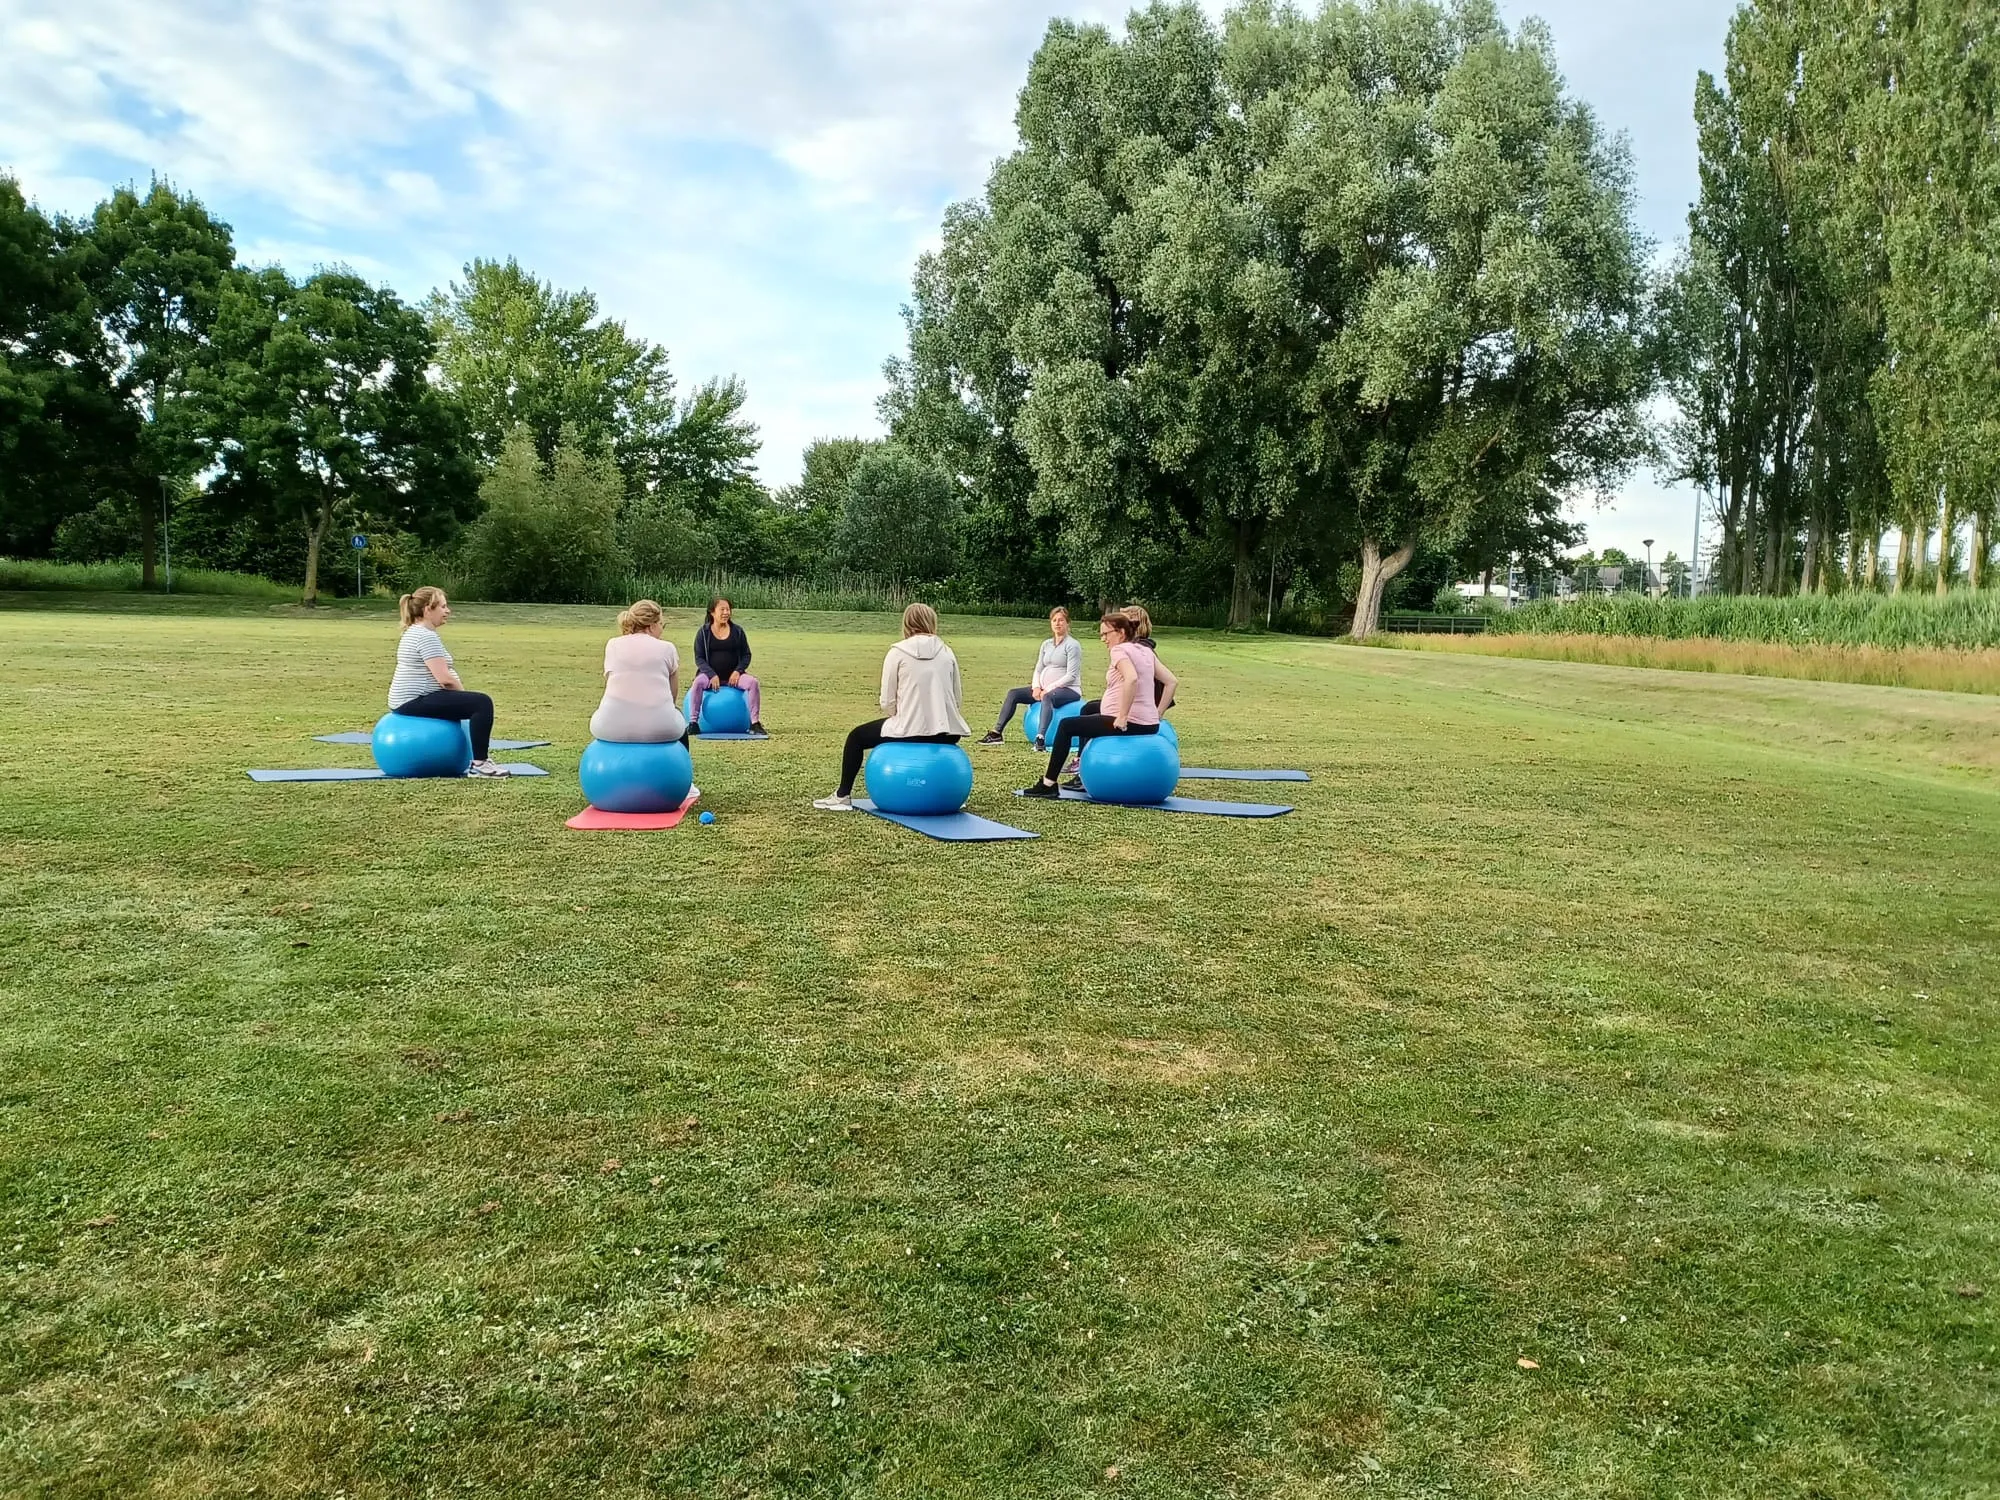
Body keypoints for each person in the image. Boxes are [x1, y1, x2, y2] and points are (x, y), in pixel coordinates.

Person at [814, 603, 971, 811]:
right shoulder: (947, 652)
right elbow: (957, 697)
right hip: (947, 733)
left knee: (856, 737)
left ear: (906, 624)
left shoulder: (897, 652)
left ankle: (842, 795)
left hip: (910, 730)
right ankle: (948, 794)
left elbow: (887, 701)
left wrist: (898, 717)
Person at [1023, 610, 1177, 798]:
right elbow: (1171, 682)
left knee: (1066, 726)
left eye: (1106, 634)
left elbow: (1131, 678)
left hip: (1127, 722)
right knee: (1088, 713)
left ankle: (1048, 784)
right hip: (1149, 724)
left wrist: (1122, 717)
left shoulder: (1119, 650)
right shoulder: (1145, 650)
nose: (1103, 639)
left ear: (1121, 633)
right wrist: (1157, 714)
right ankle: (1078, 774)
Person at [386, 586, 511, 776]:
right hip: (413, 701)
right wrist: (464, 697)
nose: (448, 611)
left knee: (473, 702)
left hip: (409, 700)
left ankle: (479, 762)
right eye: (443, 607)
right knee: (481, 703)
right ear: (428, 610)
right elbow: (445, 680)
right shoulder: (425, 636)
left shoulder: (416, 632)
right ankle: (480, 764)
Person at [1060, 603, 1175, 780]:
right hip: (1141, 713)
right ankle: (1083, 760)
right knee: (1090, 708)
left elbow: (1133, 679)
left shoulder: (1135, 648)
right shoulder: (1142, 647)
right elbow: (1171, 681)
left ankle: (1080, 763)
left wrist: (1129, 715)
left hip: (1135, 714)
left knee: (1082, 716)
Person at [977, 606, 1083, 749]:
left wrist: (1048, 690)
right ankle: (996, 733)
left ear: (1067, 623)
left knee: (1048, 698)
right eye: (1054, 620)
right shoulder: (1046, 644)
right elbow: (1038, 668)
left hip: (1069, 690)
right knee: (1013, 694)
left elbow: (1071, 675)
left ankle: (1040, 739)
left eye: (1061, 620)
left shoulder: (1072, 645)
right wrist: (1036, 687)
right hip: (1044, 689)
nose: (1057, 623)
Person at [589, 600, 688, 744]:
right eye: (661, 624)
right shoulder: (668, 648)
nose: (662, 630)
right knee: (679, 717)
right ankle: (683, 758)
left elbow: (610, 682)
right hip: (661, 727)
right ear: (652, 626)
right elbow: (672, 694)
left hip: (610, 726)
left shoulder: (612, 645)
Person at [688, 597, 764, 734]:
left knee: (753, 683)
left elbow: (746, 655)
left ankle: (755, 723)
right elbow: (699, 658)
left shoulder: (737, 631)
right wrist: (711, 675)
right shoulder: (703, 633)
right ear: (712, 612)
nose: (726, 613)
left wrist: (738, 671)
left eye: (728, 609)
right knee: (698, 683)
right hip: (710, 676)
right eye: (722, 609)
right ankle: (693, 723)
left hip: (734, 677)